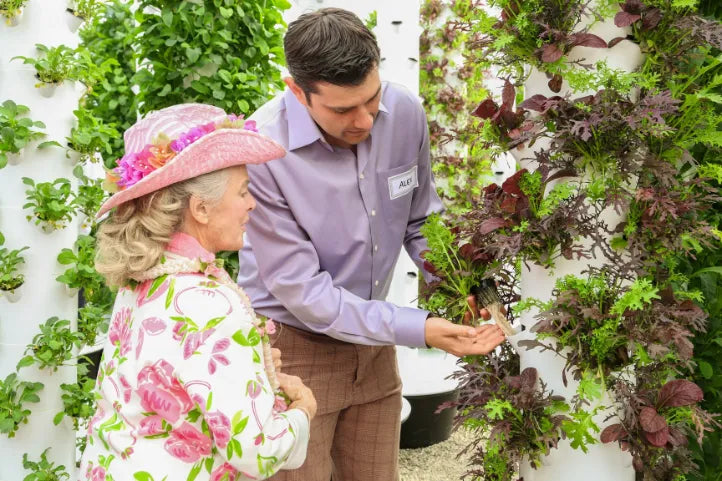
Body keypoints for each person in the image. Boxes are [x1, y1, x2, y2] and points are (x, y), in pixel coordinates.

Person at [237, 8, 506, 481]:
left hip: (375, 343)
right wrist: (421, 328)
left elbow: (421, 219)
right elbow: (307, 296)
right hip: (292, 350)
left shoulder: (404, 113)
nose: (364, 120)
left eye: (372, 98)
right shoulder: (261, 153)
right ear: (296, 91)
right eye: (342, 110)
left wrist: (463, 283)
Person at [79, 103, 317, 481]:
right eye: (243, 191)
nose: (252, 203)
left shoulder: (142, 278)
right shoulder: (213, 304)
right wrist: (303, 412)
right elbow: (256, 451)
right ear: (201, 208)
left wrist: (249, 366)